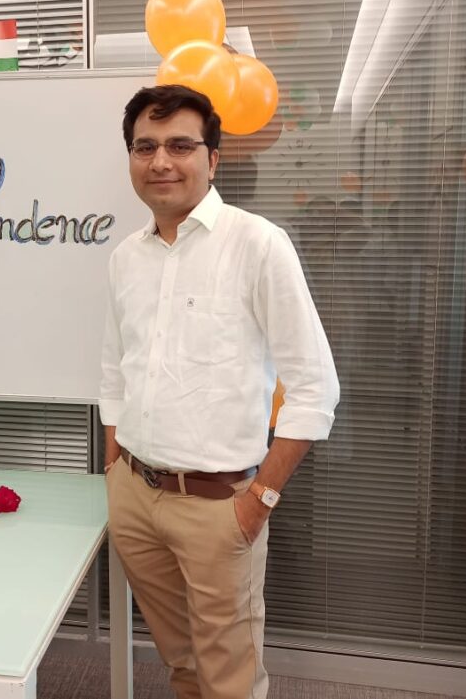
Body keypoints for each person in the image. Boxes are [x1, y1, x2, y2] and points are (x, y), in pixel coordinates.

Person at [99, 85, 340, 699]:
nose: (160, 161)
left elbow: (315, 388)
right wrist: (114, 469)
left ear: (213, 158)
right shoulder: (126, 257)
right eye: (144, 146)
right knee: (180, 664)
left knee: (228, 679)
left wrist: (259, 498)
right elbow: (114, 370)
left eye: (180, 145)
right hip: (135, 495)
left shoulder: (257, 244)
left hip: (218, 507)